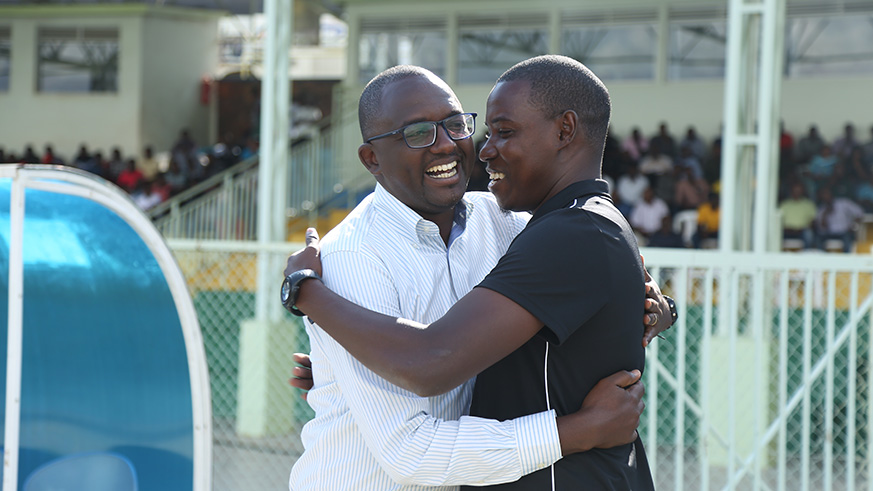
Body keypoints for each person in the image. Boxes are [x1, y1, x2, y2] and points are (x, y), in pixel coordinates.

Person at [285, 56, 670, 490]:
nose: (447, 144)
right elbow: (412, 452)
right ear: (372, 159)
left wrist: (647, 300)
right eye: (418, 133)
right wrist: (576, 431)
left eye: (455, 123)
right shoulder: (352, 257)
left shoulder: (499, 219)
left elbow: (588, 259)